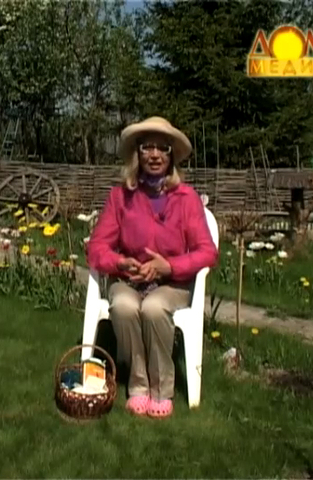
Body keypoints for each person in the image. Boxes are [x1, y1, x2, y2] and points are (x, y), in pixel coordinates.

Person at [86, 116, 218, 418]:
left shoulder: (186, 198)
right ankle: (138, 385)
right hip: (129, 281)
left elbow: (207, 252)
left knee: (154, 308)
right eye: (148, 147)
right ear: (138, 153)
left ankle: (161, 389)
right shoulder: (120, 196)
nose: (155, 155)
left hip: (172, 284)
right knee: (122, 306)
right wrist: (120, 262)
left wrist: (168, 267)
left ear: (171, 156)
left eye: (162, 148)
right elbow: (96, 248)